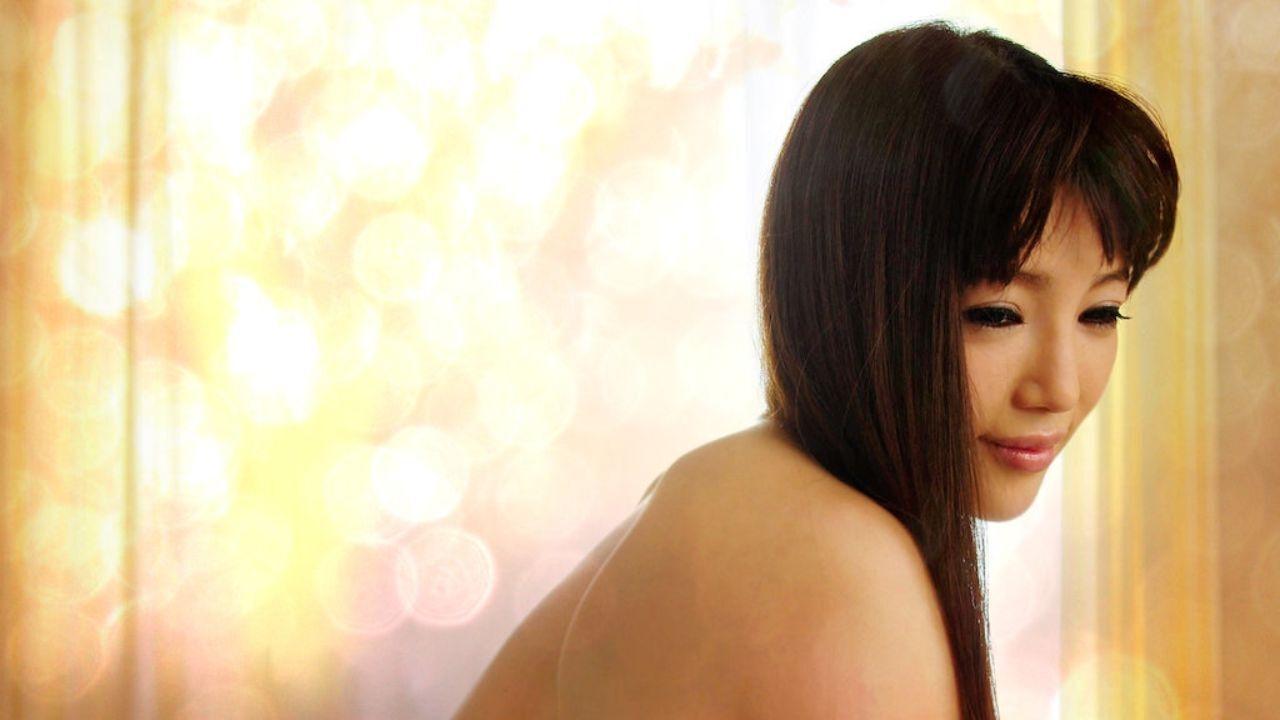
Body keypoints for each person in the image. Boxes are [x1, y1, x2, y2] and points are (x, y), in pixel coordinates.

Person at [453, 19, 1177, 720]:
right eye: (997, 314)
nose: (1059, 388)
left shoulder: (741, 489)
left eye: (1100, 313)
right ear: (857, 293)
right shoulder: (831, 567)